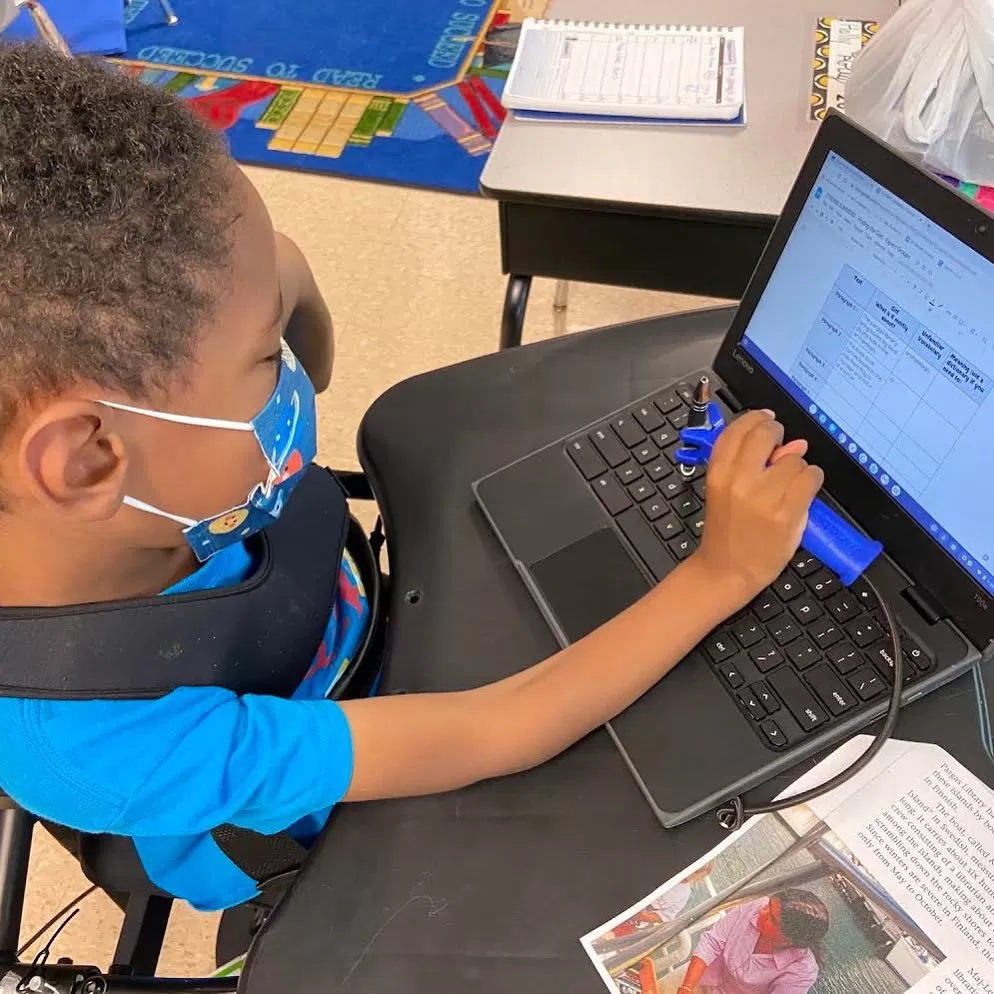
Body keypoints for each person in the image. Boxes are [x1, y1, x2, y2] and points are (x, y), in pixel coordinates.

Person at [0, 44, 825, 911]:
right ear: (87, 461)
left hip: (339, 613)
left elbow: (281, 265)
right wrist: (723, 571)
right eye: (260, 360)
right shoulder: (89, 738)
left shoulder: (138, 463)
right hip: (324, 810)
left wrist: (270, 299)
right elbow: (494, 729)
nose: (290, 377)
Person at [676, 890, 830, 994]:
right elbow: (712, 942)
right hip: (698, 973)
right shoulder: (757, 905)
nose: (762, 913)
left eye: (772, 919)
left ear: (791, 940)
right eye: (768, 907)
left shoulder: (803, 971)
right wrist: (687, 987)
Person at [600, 864, 714, 943]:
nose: (692, 875)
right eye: (694, 870)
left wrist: (646, 916)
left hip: (635, 919)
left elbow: (666, 915)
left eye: (697, 874)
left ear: (700, 877)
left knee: (609, 937)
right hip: (623, 900)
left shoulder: (684, 894)